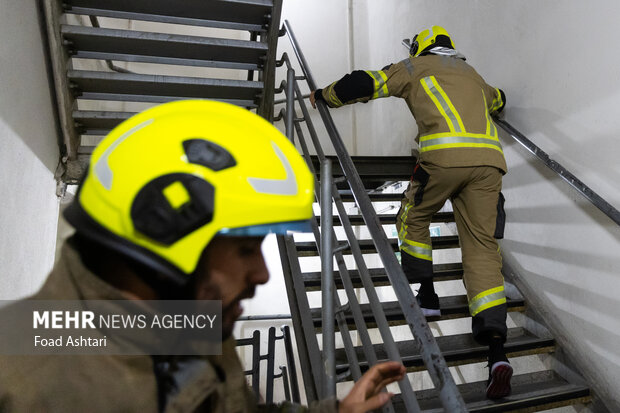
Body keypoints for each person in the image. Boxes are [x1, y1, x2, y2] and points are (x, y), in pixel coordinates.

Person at [0, 100, 406, 412]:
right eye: (247, 248)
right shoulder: (22, 377)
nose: (262, 274)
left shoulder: (192, 319)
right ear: (161, 234)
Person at [310, 25, 511, 399]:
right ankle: (496, 348)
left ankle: (428, 295)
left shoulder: (413, 67)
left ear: (420, 48)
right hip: (489, 166)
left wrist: (324, 95)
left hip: (443, 161)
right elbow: (500, 100)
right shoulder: (473, 74)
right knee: (483, 248)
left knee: (412, 217)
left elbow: (364, 83)